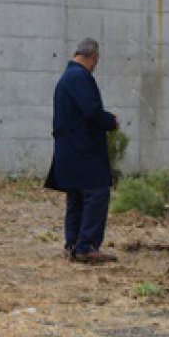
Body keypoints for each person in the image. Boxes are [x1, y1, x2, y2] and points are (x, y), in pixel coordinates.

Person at [50, 38, 119, 263]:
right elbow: (92, 111)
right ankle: (86, 245)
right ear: (93, 57)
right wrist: (111, 121)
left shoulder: (66, 77)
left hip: (68, 150)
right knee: (97, 192)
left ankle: (72, 244)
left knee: (77, 197)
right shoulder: (80, 77)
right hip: (83, 149)